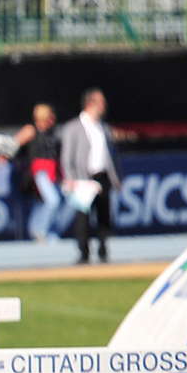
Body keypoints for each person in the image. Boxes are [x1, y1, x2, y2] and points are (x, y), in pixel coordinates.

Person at [59, 88, 119, 264]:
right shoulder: (73, 127)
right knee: (83, 217)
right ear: (90, 103)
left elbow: (111, 155)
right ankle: (83, 253)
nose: (104, 106)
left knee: (104, 215)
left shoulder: (103, 127)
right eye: (101, 102)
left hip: (102, 176)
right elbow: (67, 155)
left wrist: (116, 177)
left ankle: (103, 249)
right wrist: (70, 178)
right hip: (83, 179)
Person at [12, 103, 61, 242]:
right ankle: (40, 231)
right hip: (38, 171)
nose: (52, 119)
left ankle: (36, 230)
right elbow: (12, 144)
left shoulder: (53, 132)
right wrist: (2, 156)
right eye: (50, 116)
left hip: (52, 172)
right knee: (53, 200)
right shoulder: (31, 130)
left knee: (42, 202)